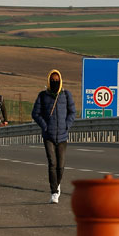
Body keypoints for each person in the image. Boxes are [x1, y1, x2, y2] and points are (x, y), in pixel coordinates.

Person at [32, 69, 76, 204]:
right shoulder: (43, 96)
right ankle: (54, 191)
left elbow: (72, 112)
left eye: (57, 80)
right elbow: (35, 113)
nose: (55, 82)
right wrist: (45, 126)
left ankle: (57, 183)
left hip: (62, 135)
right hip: (48, 136)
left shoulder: (66, 95)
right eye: (53, 80)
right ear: (48, 81)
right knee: (52, 163)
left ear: (61, 80)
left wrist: (67, 125)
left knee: (60, 165)